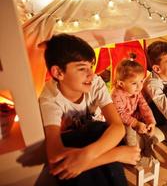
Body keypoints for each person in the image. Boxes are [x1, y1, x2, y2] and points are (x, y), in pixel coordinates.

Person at [39, 33, 140, 186]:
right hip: (74, 149)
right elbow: (55, 157)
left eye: (91, 67)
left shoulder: (96, 84)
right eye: (82, 69)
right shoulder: (50, 99)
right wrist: (117, 154)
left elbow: (118, 127)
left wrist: (86, 156)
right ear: (58, 73)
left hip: (96, 143)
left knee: (99, 129)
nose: (91, 74)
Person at [111, 54, 156, 165]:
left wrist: (150, 121)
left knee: (146, 122)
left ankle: (148, 146)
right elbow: (120, 114)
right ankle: (134, 158)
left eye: (141, 81)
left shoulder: (136, 91)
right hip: (119, 121)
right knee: (129, 131)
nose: (139, 86)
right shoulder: (116, 94)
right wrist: (135, 124)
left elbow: (143, 105)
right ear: (121, 83)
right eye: (134, 83)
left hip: (132, 115)